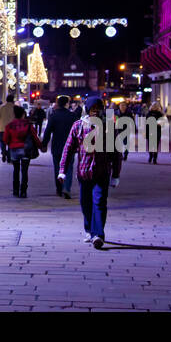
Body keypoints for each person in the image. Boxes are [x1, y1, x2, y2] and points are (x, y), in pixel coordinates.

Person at [59, 97, 122, 248]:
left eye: (98, 108)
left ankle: (98, 234)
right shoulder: (78, 126)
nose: (95, 111)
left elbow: (116, 152)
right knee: (85, 202)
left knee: (99, 202)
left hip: (102, 171)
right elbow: (68, 149)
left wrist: (116, 175)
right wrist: (62, 170)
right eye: (92, 108)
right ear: (87, 109)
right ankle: (89, 229)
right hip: (84, 172)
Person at [40, 96, 79, 195]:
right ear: (66, 104)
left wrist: (44, 144)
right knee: (69, 167)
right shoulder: (73, 116)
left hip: (57, 146)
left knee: (57, 167)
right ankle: (67, 188)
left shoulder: (53, 116)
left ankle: (59, 188)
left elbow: (48, 131)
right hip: (70, 146)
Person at [2, 104, 41, 198]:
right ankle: (23, 190)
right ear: (23, 114)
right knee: (24, 171)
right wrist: (40, 146)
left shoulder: (9, 126)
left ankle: (15, 190)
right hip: (26, 149)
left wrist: (10, 145)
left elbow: (5, 139)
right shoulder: (28, 125)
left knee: (16, 170)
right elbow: (35, 137)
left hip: (14, 149)